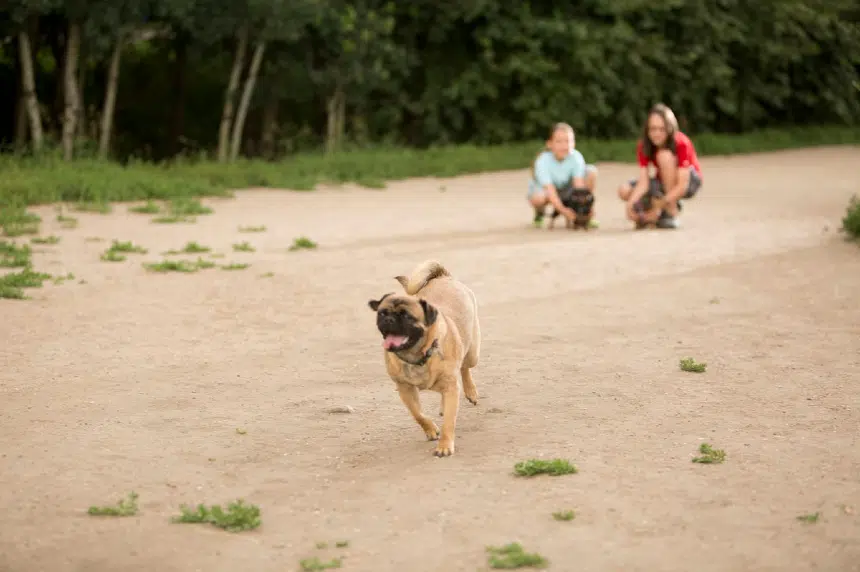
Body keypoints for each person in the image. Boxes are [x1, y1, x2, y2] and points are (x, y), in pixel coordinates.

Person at [617, 103, 703, 230]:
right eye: (653, 129)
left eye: (662, 129)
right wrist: (630, 205)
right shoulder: (643, 145)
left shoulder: (681, 142)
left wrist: (658, 207)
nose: (656, 134)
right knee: (624, 190)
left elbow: (682, 186)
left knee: (664, 156)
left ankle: (671, 211)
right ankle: (651, 214)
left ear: (670, 128)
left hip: (689, 180)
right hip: (664, 180)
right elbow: (643, 182)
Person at [527, 122, 599, 229]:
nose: (565, 146)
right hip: (546, 191)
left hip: (566, 189)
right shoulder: (542, 161)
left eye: (568, 141)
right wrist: (564, 211)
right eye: (559, 142)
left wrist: (584, 208)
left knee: (591, 171)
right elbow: (550, 190)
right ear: (550, 144)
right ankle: (539, 213)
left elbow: (578, 185)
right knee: (539, 198)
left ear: (574, 142)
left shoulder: (576, 157)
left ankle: (586, 214)